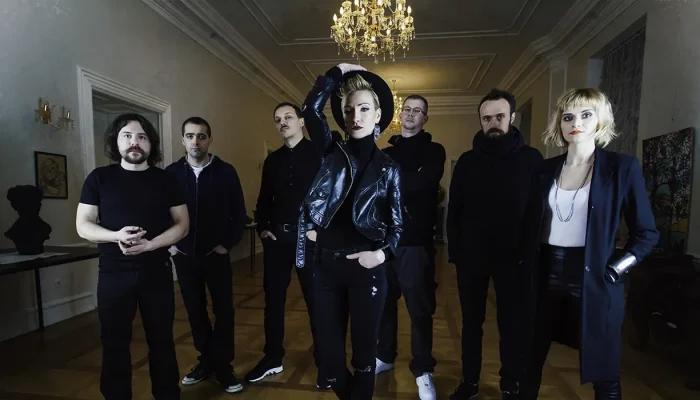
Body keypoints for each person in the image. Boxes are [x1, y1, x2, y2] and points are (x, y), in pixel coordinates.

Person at [519, 88, 659, 399]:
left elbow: (647, 233)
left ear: (600, 120)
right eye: (568, 117)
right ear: (560, 124)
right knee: (528, 361)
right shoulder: (544, 170)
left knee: (603, 370)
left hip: (595, 277)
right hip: (544, 275)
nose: (576, 123)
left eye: (585, 115)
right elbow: (529, 225)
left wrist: (617, 268)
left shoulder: (621, 168)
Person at [296, 63, 403, 399]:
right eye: (348, 110)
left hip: (366, 270)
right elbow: (309, 111)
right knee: (329, 360)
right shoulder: (331, 150)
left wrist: (381, 255)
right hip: (326, 266)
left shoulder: (389, 168)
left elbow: (399, 226)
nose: (355, 116)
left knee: (364, 359)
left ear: (378, 115)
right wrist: (337, 71)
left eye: (364, 109)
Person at [76, 113, 189, 400]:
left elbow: (182, 225)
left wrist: (150, 245)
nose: (134, 142)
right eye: (126, 135)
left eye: (141, 136)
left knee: (162, 340)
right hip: (113, 274)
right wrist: (116, 236)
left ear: (151, 143)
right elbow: (83, 225)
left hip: (157, 271)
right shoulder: (99, 178)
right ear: (116, 142)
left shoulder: (167, 180)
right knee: (114, 343)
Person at [447, 89, 543, 399]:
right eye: (486, 118)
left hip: (514, 258)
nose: (493, 123)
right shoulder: (467, 161)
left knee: (511, 325)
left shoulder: (531, 159)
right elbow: (455, 209)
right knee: (471, 324)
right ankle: (470, 382)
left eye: (500, 116)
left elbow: (536, 213)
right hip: (471, 257)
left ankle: (509, 384)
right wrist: (456, 253)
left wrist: (528, 256)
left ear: (512, 117)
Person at [244, 103, 326, 388]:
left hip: (310, 240)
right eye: (277, 119)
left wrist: (320, 231)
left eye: (288, 117)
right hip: (278, 240)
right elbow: (264, 197)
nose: (282, 122)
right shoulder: (273, 160)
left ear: (301, 122)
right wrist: (263, 228)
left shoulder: (320, 153)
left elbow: (330, 197)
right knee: (273, 302)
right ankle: (272, 358)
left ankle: (325, 362)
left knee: (317, 301)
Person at [164, 117, 247, 393]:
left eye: (201, 136)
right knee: (195, 310)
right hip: (184, 255)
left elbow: (239, 214)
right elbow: (161, 213)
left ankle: (223, 365)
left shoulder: (226, 172)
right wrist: (172, 245)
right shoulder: (171, 173)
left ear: (210, 140)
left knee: (223, 310)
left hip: (216, 255)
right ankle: (206, 360)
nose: (195, 141)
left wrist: (226, 244)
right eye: (190, 136)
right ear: (183, 140)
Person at [377, 95, 445, 400]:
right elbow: (377, 192)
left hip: (416, 244)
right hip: (385, 244)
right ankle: (384, 355)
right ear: (400, 114)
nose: (410, 114)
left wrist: (392, 181)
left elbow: (425, 184)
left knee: (419, 310)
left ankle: (422, 369)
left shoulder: (434, 151)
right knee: (384, 305)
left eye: (418, 111)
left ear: (424, 119)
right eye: (407, 109)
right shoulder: (385, 153)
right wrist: (406, 180)